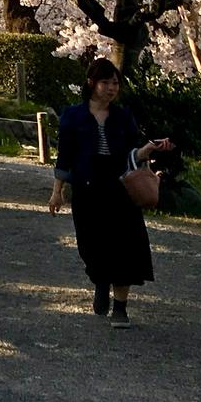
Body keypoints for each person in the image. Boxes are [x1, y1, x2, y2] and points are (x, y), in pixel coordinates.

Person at [47, 58, 173, 328]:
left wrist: (148, 150)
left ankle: (121, 307)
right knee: (90, 246)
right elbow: (65, 156)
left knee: (126, 246)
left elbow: (132, 153)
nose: (111, 88)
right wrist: (57, 192)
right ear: (92, 83)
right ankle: (100, 280)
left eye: (115, 83)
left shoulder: (123, 116)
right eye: (106, 82)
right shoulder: (73, 115)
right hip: (87, 187)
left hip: (120, 187)